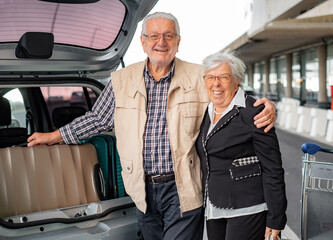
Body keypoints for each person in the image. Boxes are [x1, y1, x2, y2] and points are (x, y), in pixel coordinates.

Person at [27, 12, 277, 240]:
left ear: (178, 41)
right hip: (141, 189)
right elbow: (97, 119)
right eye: (154, 36)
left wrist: (265, 107)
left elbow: (227, 93)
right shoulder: (121, 80)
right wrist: (53, 136)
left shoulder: (198, 76)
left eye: (168, 36)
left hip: (183, 188)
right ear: (143, 42)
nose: (161, 42)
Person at [196, 51, 287, 240]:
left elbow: (273, 169)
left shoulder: (254, 112)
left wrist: (276, 217)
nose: (216, 83)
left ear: (236, 81)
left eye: (224, 77)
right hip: (214, 206)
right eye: (211, 77)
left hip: (248, 208)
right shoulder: (205, 110)